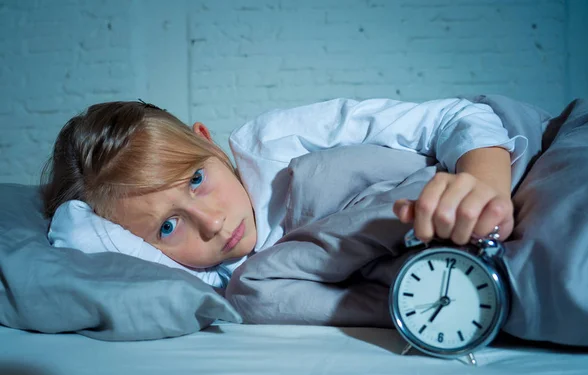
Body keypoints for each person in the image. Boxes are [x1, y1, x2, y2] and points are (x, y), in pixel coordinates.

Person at [41, 98, 526, 287]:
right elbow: (78, 238)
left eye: (196, 180)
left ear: (209, 141)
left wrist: (482, 192)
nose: (212, 224)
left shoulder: (278, 142)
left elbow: (453, 117)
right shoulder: (202, 281)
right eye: (168, 227)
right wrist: (80, 206)